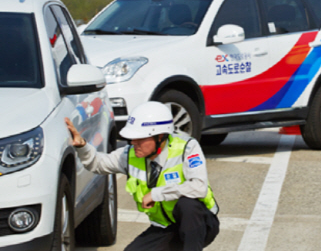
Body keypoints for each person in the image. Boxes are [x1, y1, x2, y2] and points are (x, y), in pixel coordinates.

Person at [65, 101, 219, 251]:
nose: (134, 142)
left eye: (140, 138)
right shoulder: (130, 154)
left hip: (200, 225)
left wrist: (156, 194)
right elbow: (98, 163)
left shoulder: (187, 148)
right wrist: (82, 146)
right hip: (166, 228)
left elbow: (199, 187)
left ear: (160, 137)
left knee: (188, 206)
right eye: (132, 138)